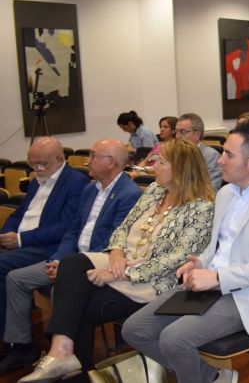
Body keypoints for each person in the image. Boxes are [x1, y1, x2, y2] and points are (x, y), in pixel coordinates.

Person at [18, 139, 216, 382]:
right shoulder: (155, 191)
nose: (153, 166)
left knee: (79, 303)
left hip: (153, 283)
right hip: (123, 265)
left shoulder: (201, 208)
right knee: (72, 263)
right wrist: (116, 255)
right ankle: (62, 352)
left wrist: (118, 273)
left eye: (161, 162)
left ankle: (72, 370)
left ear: (180, 168)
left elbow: (174, 261)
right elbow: (123, 229)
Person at [122, 123, 249, 383]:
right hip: (207, 283)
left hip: (247, 293)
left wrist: (218, 278)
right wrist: (199, 263)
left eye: (229, 155)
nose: (220, 161)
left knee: (174, 339)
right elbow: (216, 246)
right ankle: (212, 377)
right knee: (135, 329)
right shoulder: (227, 193)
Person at [0, 140, 142, 374]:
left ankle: (71, 362)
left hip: (95, 263)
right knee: (16, 279)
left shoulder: (129, 194)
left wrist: (69, 266)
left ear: (112, 163)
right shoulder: (90, 189)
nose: (88, 160)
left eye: (95, 156)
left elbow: (115, 242)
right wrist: (59, 260)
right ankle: (21, 347)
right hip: (71, 258)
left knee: (63, 288)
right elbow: (72, 231)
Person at [0, 138, 90, 350]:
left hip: (48, 247)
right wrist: (6, 235)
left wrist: (21, 239)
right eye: (33, 164)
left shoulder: (76, 182)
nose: (37, 169)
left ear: (60, 159)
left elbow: (65, 227)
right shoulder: (35, 182)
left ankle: (9, 338)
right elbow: (18, 215)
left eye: (42, 164)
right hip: (23, 243)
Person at [175, 113, 222, 190]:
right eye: (176, 132)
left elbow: (211, 188)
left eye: (183, 131)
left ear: (197, 134)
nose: (177, 136)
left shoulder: (210, 156)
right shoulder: (176, 153)